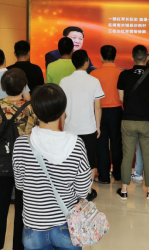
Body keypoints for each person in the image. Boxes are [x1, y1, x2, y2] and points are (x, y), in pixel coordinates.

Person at [13, 84, 92, 251]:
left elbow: (20, 184)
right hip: (67, 224)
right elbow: (82, 190)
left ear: (34, 111)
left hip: (34, 226)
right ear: (63, 111)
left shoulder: (21, 144)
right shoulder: (76, 144)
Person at [0, 69, 35, 251]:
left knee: (0, 202)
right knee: (23, 205)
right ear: (24, 86)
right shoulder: (31, 108)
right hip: (26, 162)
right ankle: (19, 245)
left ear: (3, 86)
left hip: (2, 160)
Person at [117, 45, 149, 201]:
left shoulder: (124, 75)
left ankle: (124, 190)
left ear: (132, 57)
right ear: (147, 58)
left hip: (128, 120)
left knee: (127, 155)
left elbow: (121, 98)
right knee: (148, 156)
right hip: (147, 121)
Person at [60, 50, 104, 202]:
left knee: (70, 160)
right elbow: (97, 107)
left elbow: (62, 109)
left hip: (69, 128)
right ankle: (87, 191)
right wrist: (98, 126)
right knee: (90, 160)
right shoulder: (94, 81)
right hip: (88, 128)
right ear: (86, 62)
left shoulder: (64, 81)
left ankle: (71, 191)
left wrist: (62, 126)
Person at [91, 45, 123, 184]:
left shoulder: (94, 74)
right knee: (117, 143)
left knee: (101, 144)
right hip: (117, 111)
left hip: (99, 111)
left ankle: (103, 176)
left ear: (101, 57)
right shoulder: (121, 73)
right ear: (115, 57)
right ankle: (118, 174)